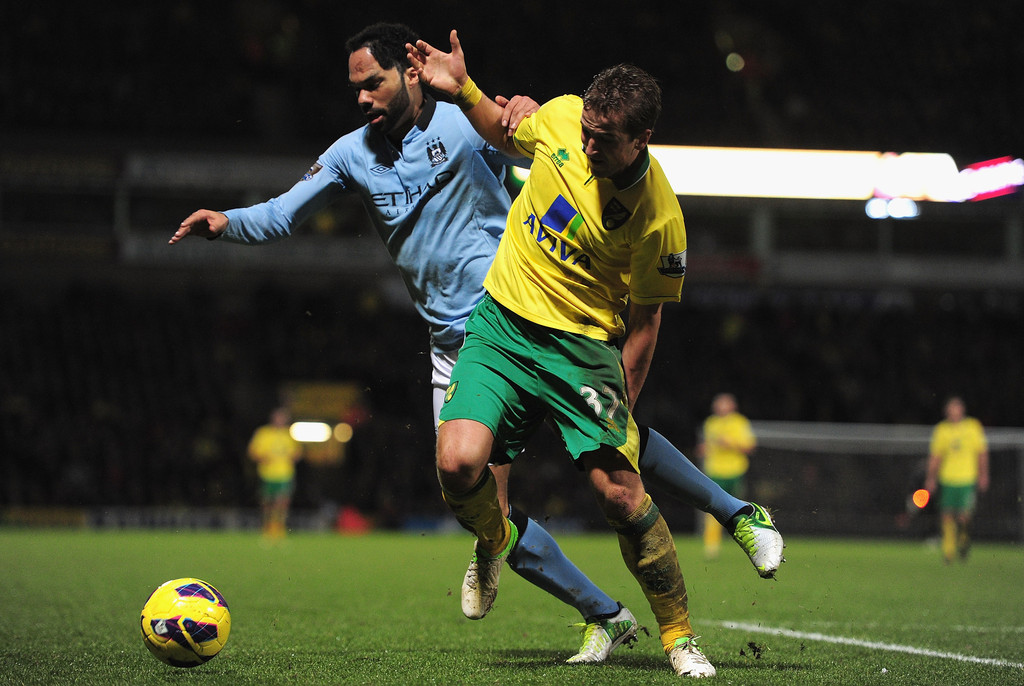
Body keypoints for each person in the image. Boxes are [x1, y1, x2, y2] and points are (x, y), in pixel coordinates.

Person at [170, 22, 780, 668]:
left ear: (408, 74)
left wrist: (505, 106)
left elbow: (533, 147)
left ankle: (734, 515)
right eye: (353, 88)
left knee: (615, 456)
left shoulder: (465, 129)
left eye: (371, 82)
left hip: (531, 313)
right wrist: (226, 224)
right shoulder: (352, 154)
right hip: (457, 344)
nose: (361, 98)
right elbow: (285, 211)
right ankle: (600, 611)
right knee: (472, 490)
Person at [410, 30, 735, 677]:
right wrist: (466, 91)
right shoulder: (559, 119)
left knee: (619, 493)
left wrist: (623, 409)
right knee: (456, 464)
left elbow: (645, 324)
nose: (587, 145)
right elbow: (505, 136)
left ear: (640, 140)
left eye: (603, 138)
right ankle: (495, 542)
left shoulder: (658, 217)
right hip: (502, 326)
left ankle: (678, 637)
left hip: (581, 348)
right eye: (585, 129)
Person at [923, 396, 989, 564]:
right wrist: (930, 478)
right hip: (948, 479)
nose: (953, 413)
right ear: (947, 412)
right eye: (951, 410)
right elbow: (935, 457)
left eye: (956, 409)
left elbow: (981, 453)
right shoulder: (942, 430)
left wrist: (983, 475)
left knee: (964, 517)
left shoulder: (973, 427)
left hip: (967, 479)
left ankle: (963, 542)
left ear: (962, 410)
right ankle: (949, 552)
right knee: (946, 515)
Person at [697, 393, 756, 560]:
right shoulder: (710, 423)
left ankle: (749, 543)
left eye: (724, 404)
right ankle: (712, 546)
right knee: (712, 509)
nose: (720, 407)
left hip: (735, 472)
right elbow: (710, 445)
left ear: (732, 406)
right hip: (715, 472)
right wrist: (705, 449)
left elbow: (749, 447)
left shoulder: (740, 422)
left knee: (738, 510)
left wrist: (730, 444)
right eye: (718, 404)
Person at [247, 407, 303, 538]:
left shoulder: (289, 434)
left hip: (284, 474)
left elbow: (298, 452)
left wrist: (294, 456)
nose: (279, 420)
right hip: (267, 474)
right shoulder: (263, 433)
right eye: (277, 418)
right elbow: (252, 452)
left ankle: (279, 528)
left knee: (282, 502)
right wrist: (263, 458)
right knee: (267, 502)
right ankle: (267, 527)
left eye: (282, 418)